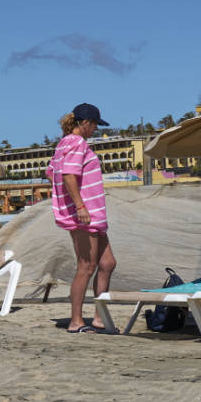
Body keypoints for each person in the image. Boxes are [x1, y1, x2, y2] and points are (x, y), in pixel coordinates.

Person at [49, 103, 116, 333]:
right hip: (84, 215)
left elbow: (51, 173)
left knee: (107, 263)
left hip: (92, 215)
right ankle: (76, 321)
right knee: (86, 267)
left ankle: (99, 317)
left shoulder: (64, 144)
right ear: (84, 123)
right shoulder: (76, 143)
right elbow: (68, 175)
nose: (96, 129)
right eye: (95, 124)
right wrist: (78, 205)